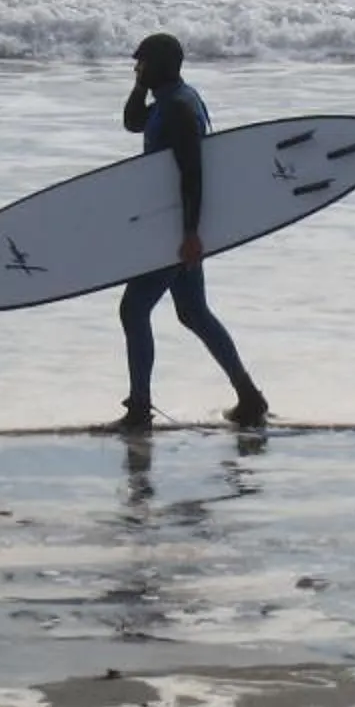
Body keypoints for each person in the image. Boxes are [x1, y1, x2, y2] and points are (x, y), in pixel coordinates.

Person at [107, 33, 269, 434]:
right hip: (177, 225)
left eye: (141, 63)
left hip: (174, 228)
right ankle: (249, 397)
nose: (135, 68)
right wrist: (141, 85)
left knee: (133, 309)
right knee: (193, 312)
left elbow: (193, 173)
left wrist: (190, 233)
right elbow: (131, 121)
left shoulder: (178, 108)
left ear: (159, 65)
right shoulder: (171, 100)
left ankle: (140, 409)